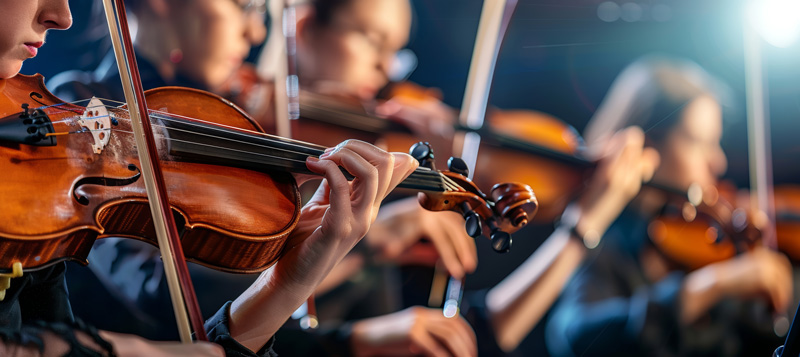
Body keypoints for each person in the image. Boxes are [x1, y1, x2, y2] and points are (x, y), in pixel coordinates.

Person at [0, 1, 419, 356]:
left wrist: (287, 281)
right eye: (242, 4)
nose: (255, 31)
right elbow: (154, 302)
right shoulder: (79, 127)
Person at [545, 56, 794, 356]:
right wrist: (707, 287)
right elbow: (574, 334)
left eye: (716, 142)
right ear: (647, 145)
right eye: (698, 141)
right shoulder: (602, 242)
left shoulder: (719, 240)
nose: (719, 161)